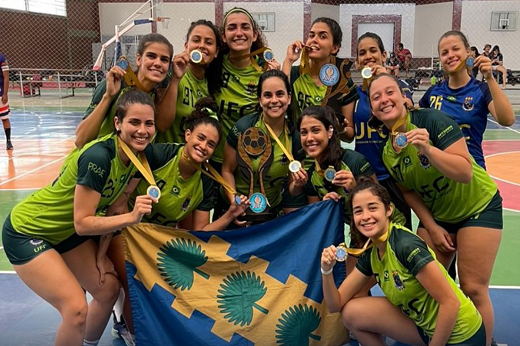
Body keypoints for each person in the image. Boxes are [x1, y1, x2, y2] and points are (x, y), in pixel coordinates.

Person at [1, 89, 157, 346]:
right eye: (134, 122)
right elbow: (83, 223)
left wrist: (100, 254)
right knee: (75, 308)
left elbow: (113, 209)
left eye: (148, 123)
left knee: (107, 290)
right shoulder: (99, 157)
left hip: (66, 234)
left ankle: (87, 343)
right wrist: (132, 217)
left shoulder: (137, 158)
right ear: (117, 123)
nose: (142, 130)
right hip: (28, 231)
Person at [98, 97, 250, 343]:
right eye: (200, 138)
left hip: (157, 240)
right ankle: (135, 334)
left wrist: (231, 214)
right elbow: (117, 204)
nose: (204, 146)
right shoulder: (158, 155)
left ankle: (134, 321)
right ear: (188, 134)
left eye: (211, 144)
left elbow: (200, 232)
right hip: (125, 229)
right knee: (133, 279)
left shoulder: (206, 181)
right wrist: (101, 253)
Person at [368, 73, 503, 346]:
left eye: (390, 92)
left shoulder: (431, 121)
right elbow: (408, 191)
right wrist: (431, 225)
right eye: (376, 96)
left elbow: (465, 171)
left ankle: (485, 341)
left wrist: (427, 149)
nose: (384, 99)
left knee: (473, 289)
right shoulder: (387, 152)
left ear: (404, 98)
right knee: (427, 287)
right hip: (440, 215)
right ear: (372, 109)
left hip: (477, 207)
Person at [321, 178, 486, 346]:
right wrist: (326, 271)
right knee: (351, 313)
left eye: (372, 208)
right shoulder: (372, 251)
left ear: (388, 210)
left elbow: (451, 303)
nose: (365, 217)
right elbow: (336, 304)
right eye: (358, 211)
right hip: (426, 328)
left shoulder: (405, 245)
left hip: (461, 336)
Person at [344, 32, 413, 230]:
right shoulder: (353, 94)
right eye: (362, 53)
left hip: (396, 176)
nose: (368, 56)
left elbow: (407, 105)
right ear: (357, 63)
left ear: (384, 55)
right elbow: (348, 133)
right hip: (365, 176)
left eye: (373, 50)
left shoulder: (401, 87)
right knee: (366, 232)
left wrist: (387, 78)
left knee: (399, 231)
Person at [220, 69, 305, 227]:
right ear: (260, 100)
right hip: (236, 212)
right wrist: (235, 203)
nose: (274, 100)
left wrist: (298, 184)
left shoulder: (295, 137)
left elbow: (292, 190)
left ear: (289, 98)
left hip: (271, 214)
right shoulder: (243, 128)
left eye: (280, 94)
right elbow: (227, 170)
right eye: (267, 95)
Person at [419, 31, 514, 169]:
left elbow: (507, 120)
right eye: (444, 53)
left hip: (473, 172)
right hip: (440, 173)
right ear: (440, 59)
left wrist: (489, 78)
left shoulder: (481, 90)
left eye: (456, 49)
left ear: (468, 52)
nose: (450, 55)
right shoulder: (433, 93)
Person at [75, 33, 173, 149]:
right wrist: (108, 96)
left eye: (164, 59)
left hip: (130, 164)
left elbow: (162, 126)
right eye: (151, 56)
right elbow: (81, 140)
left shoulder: (162, 91)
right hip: (99, 160)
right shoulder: (115, 83)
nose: (157, 63)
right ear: (138, 59)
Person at [211, 7, 280, 171]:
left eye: (245, 27)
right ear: (223, 36)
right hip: (218, 158)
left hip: (253, 159)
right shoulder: (214, 66)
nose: (239, 33)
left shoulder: (265, 71)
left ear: (254, 35)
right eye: (232, 28)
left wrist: (280, 75)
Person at [282, 17, 358, 142]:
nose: (314, 40)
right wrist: (288, 60)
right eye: (311, 36)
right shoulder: (295, 74)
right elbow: (280, 101)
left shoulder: (343, 82)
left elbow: (349, 135)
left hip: (329, 154)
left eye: (322, 36)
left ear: (334, 48)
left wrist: (340, 129)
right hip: (297, 152)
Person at [155, 20, 224, 144]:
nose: (202, 46)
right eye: (196, 40)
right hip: (166, 158)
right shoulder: (171, 74)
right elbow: (161, 125)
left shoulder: (214, 84)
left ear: (216, 52)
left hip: (194, 158)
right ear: (186, 46)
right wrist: (175, 79)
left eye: (208, 42)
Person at [0, 52, 13, 150]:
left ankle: (8, 141)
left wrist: (5, 93)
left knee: (4, 118)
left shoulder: (1, 58)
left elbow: (6, 77)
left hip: (0, 94)